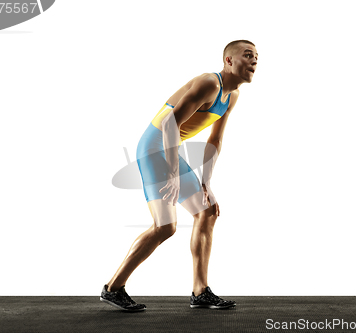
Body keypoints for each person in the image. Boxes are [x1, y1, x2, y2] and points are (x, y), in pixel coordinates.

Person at [100, 40, 258, 311]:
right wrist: (172, 171)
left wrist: (206, 182)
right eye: (248, 55)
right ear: (229, 61)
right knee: (165, 227)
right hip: (153, 148)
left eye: (257, 56)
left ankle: (201, 291)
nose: (255, 61)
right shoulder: (210, 82)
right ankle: (113, 288)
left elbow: (215, 139)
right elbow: (169, 122)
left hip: (169, 149)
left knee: (207, 211)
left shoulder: (232, 96)